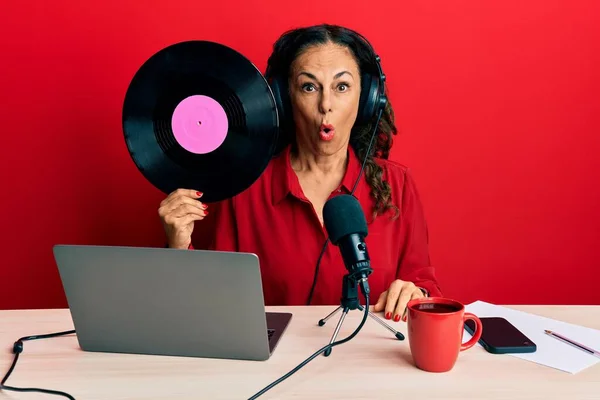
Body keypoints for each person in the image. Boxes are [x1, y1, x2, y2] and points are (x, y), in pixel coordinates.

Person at [158, 24, 442, 323]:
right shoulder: (245, 187)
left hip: (370, 363)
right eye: (309, 87)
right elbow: (212, 305)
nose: (326, 105)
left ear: (368, 98)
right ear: (284, 98)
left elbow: (424, 284)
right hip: (275, 365)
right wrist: (178, 247)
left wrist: (417, 294)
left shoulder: (397, 185)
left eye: (341, 87)